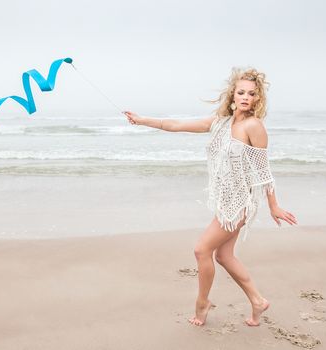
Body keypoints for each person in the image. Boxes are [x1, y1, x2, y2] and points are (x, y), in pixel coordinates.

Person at [123, 67, 298, 327]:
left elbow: (264, 171)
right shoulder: (221, 122)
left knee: (201, 249)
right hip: (226, 200)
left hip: (240, 203)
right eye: (241, 92)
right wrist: (142, 120)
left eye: (251, 94)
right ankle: (257, 300)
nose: (245, 97)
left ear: (258, 99)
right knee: (224, 256)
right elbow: (176, 125)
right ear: (232, 95)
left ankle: (202, 303)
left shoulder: (254, 126)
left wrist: (274, 206)